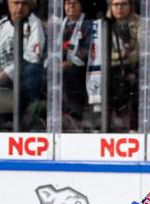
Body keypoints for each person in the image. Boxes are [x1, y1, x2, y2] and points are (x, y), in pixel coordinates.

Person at [0, 0, 46, 130]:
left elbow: (33, 56)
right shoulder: (0, 26)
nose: (20, 7)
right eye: (16, 3)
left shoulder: (35, 24)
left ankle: (27, 118)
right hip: (0, 74)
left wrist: (9, 72)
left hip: (22, 75)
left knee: (34, 70)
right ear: (8, 4)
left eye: (24, 4)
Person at [107, 0, 141, 132]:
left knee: (134, 80)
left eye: (123, 4)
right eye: (116, 4)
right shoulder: (105, 23)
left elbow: (142, 50)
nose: (119, 8)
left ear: (130, 6)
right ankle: (106, 123)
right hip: (112, 66)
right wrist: (119, 56)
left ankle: (134, 126)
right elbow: (101, 50)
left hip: (134, 64)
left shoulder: (140, 22)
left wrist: (126, 58)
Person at [61, 0, 92, 129]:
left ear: (81, 5)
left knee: (71, 73)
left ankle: (75, 115)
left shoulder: (88, 24)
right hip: (61, 64)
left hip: (82, 65)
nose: (71, 6)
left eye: (75, 3)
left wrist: (71, 62)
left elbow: (89, 48)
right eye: (68, 3)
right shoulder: (59, 24)